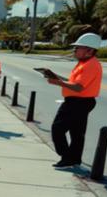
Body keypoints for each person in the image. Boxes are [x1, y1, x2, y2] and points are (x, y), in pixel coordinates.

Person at [40, 33, 103, 168]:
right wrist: (58, 78)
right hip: (80, 101)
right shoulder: (84, 63)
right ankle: (74, 159)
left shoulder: (90, 65)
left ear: (89, 51)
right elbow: (74, 82)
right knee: (77, 133)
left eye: (78, 48)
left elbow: (78, 87)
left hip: (78, 101)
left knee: (57, 128)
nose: (75, 50)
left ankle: (67, 157)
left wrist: (58, 82)